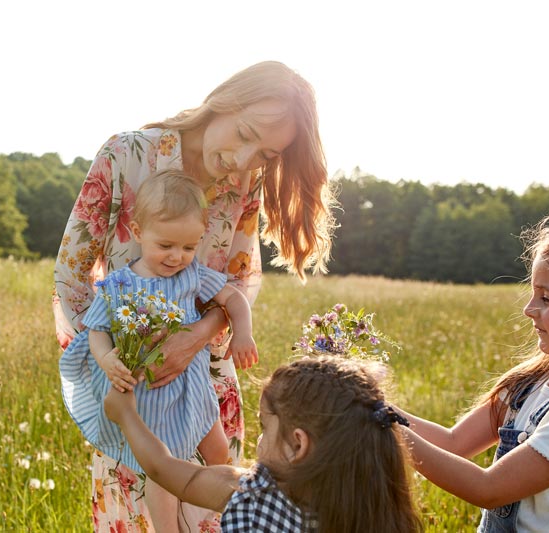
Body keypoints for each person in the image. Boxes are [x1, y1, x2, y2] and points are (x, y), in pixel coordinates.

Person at [53, 60, 337, 531]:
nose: (245, 161)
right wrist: (114, 363)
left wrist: (193, 339)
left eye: (265, 154)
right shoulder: (126, 155)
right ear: (224, 102)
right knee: (143, 516)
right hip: (134, 394)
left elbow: (239, 280)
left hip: (206, 381)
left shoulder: (245, 183)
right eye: (245, 134)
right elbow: (72, 274)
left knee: (218, 516)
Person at [60, 169, 259, 532]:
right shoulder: (120, 284)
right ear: (137, 233)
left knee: (219, 451)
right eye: (165, 246)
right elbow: (97, 331)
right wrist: (107, 359)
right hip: (153, 399)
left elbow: (234, 298)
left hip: (195, 388)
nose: (177, 257)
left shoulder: (193, 275)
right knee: (164, 470)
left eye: (188, 247)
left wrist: (243, 333)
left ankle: (231, 516)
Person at [104, 355, 422, 532]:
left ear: (297, 446)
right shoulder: (376, 512)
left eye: (265, 427)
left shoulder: (252, 496)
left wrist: (127, 416)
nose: (259, 439)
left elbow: (164, 469)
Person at [397, 208, 549, 531]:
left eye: (546, 298)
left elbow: (488, 489)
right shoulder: (529, 382)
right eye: (532, 294)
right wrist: (371, 403)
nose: (528, 309)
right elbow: (453, 443)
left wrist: (384, 428)